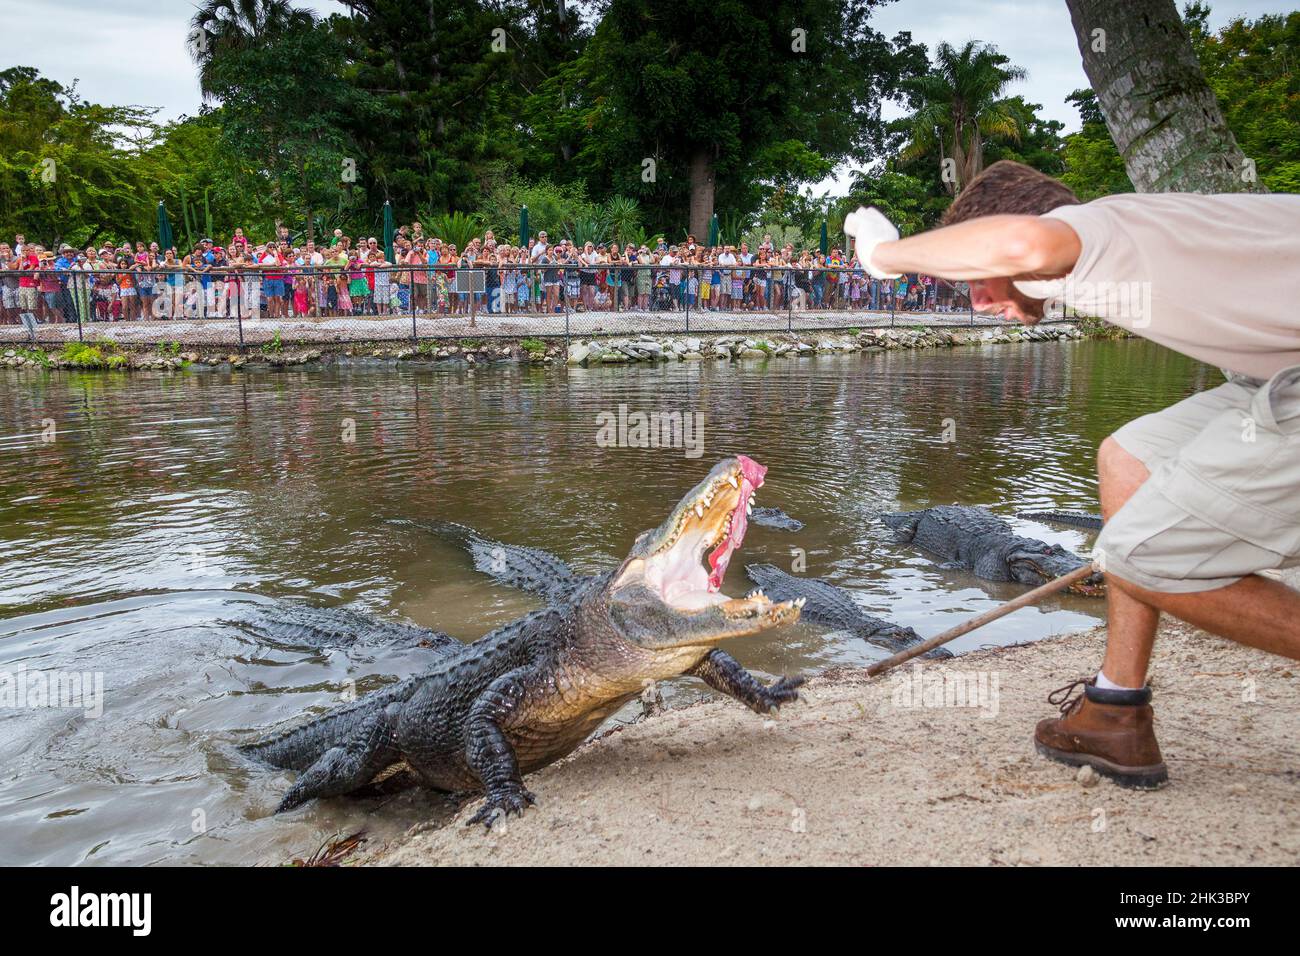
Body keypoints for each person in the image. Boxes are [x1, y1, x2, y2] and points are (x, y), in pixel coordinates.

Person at [846, 159, 1300, 789]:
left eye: (980, 275)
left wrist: (882, 254)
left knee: (1137, 555)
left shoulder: (1088, 235)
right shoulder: (1126, 237)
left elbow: (1026, 243)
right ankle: (1116, 709)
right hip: (1275, 372)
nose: (976, 301)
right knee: (1129, 460)